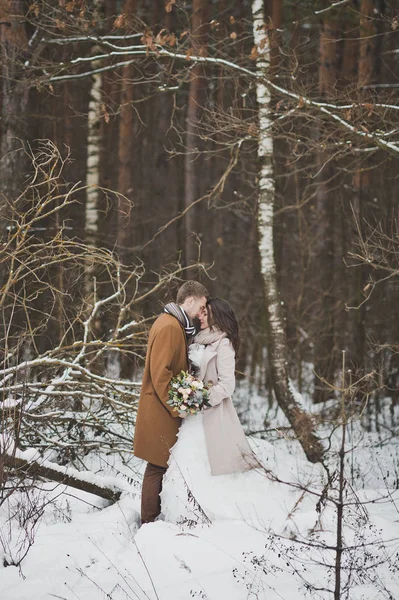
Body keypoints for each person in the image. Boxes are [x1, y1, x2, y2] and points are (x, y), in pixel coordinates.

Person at [161, 298, 269, 525]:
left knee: (208, 466)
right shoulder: (198, 339)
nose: (200, 316)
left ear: (217, 316)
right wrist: (186, 392)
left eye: (206, 313)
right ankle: (183, 514)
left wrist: (200, 399)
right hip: (191, 418)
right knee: (186, 463)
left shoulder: (224, 344)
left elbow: (227, 385)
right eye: (201, 312)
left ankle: (210, 518)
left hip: (212, 415)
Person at [134, 280, 209, 525]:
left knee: (159, 466)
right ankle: (148, 523)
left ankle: (152, 520)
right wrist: (178, 405)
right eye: (201, 306)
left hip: (161, 407)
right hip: (160, 409)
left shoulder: (174, 324)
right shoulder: (169, 327)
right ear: (190, 301)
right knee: (157, 467)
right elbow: (160, 373)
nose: (201, 313)